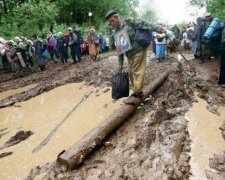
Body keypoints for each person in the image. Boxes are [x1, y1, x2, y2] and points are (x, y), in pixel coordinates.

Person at [106, 10, 157, 105]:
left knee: (137, 72)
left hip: (139, 50)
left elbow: (143, 23)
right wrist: (120, 63)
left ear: (117, 17)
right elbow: (119, 49)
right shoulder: (116, 32)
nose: (111, 24)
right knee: (131, 74)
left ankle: (136, 94)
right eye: (110, 22)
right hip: (129, 55)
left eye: (112, 21)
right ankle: (138, 93)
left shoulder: (129, 21)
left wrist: (158, 28)